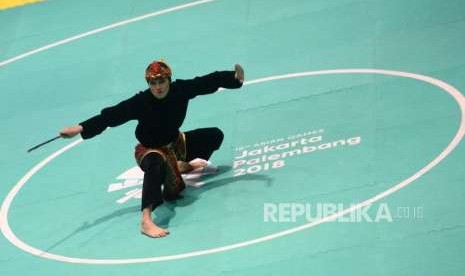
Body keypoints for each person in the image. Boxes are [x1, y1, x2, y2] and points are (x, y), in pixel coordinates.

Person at [60, 60, 244, 238]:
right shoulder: (141, 102)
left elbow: (206, 82)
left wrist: (233, 78)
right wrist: (80, 128)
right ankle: (146, 220)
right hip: (149, 150)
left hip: (176, 142)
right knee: (158, 168)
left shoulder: (180, 90)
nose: (158, 87)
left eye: (161, 81)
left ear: (169, 80)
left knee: (214, 135)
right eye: (153, 83)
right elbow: (111, 116)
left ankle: (182, 165)